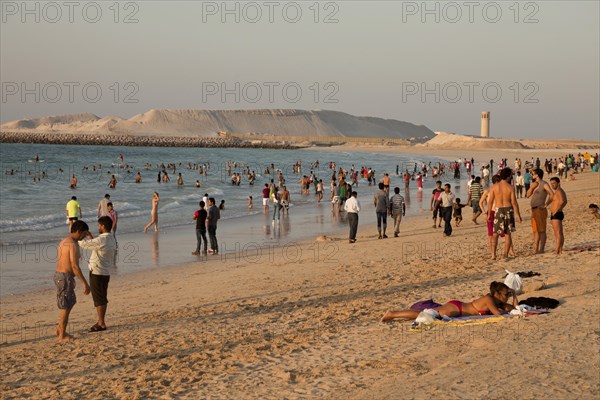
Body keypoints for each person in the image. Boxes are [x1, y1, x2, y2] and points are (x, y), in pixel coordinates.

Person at [380, 282, 517, 322]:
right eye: (506, 294)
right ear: (497, 294)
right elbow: (498, 314)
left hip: (458, 309)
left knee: (426, 315)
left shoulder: (497, 300)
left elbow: (513, 308)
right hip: (456, 308)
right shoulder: (488, 299)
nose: (507, 297)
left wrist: (514, 295)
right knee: (424, 314)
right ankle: (392, 314)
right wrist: (506, 309)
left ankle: (393, 314)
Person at [54, 221, 91, 342]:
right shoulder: (73, 245)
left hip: (60, 276)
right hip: (65, 277)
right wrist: (84, 283)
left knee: (70, 302)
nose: (84, 237)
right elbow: (75, 266)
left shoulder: (64, 241)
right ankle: (62, 335)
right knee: (66, 306)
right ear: (78, 232)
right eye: (84, 234)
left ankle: (60, 329)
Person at [78, 216, 116, 332]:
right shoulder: (111, 238)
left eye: (99, 225)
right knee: (102, 297)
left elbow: (84, 244)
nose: (98, 227)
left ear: (103, 226)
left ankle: (101, 323)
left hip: (97, 272)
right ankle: (101, 321)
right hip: (105, 272)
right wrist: (89, 237)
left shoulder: (102, 240)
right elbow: (96, 244)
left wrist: (80, 236)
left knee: (99, 299)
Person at [487, 168, 522, 260]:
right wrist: (518, 215)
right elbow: (514, 203)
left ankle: (493, 255)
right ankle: (505, 255)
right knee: (507, 233)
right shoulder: (510, 187)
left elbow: (490, 202)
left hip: (498, 210)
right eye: (510, 175)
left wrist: (488, 214)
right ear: (508, 175)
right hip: (508, 209)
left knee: (495, 233)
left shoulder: (494, 187)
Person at [526, 168, 554, 254]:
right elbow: (527, 195)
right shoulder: (534, 184)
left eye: (533, 174)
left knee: (541, 230)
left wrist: (546, 204)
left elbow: (551, 194)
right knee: (535, 230)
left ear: (537, 175)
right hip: (533, 209)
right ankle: (535, 249)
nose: (532, 175)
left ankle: (541, 249)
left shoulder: (544, 184)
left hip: (540, 209)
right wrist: (532, 188)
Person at [549, 177, 568, 255]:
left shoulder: (559, 191)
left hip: (556, 214)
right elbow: (565, 201)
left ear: (558, 183)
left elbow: (562, 201)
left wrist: (556, 210)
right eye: (551, 184)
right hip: (558, 213)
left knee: (557, 234)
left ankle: (557, 251)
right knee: (560, 233)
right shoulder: (559, 191)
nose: (552, 185)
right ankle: (560, 250)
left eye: (554, 183)